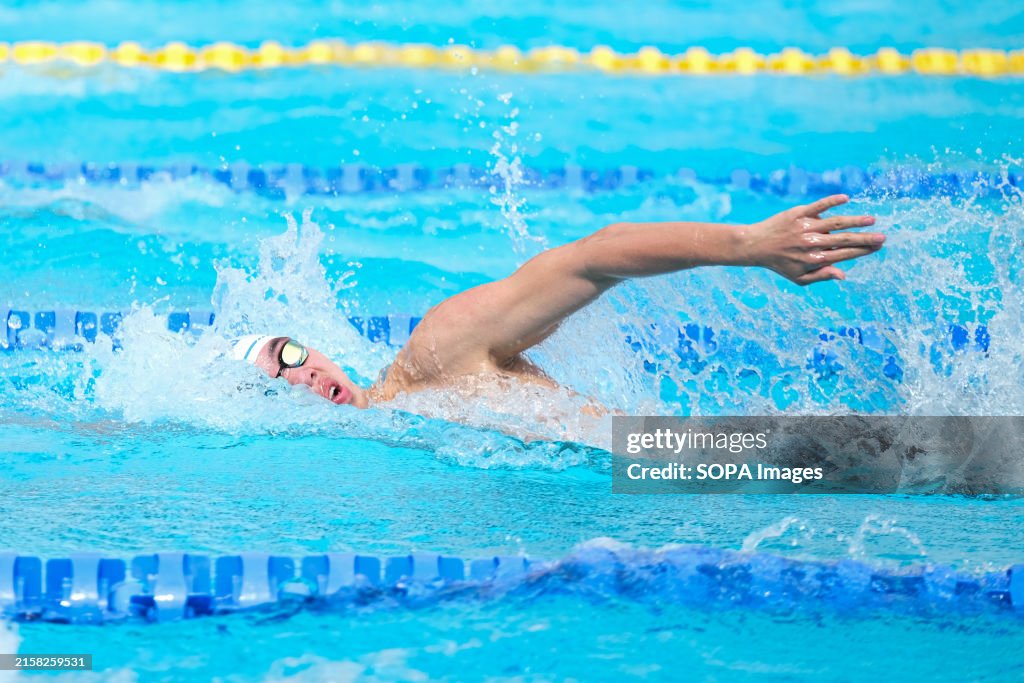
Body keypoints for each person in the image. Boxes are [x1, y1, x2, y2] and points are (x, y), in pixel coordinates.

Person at [232, 194, 882, 408]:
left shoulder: (432, 355)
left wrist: (749, 244)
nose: (302, 371)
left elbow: (594, 254)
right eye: (278, 376)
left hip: (679, 462)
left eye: (289, 349)